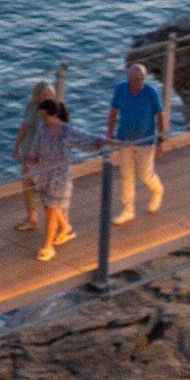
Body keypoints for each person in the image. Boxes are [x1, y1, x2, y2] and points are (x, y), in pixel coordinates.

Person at [27, 98, 92, 262]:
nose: (42, 120)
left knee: (51, 210)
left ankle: (48, 247)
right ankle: (66, 228)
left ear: (54, 115)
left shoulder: (66, 132)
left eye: (45, 117)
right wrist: (30, 166)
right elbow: (35, 146)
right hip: (45, 174)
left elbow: (86, 139)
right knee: (50, 208)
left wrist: (106, 142)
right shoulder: (43, 128)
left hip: (60, 178)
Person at [106, 62, 166, 222]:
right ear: (129, 79)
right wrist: (110, 135)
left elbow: (160, 116)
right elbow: (113, 113)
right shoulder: (120, 89)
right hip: (124, 140)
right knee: (126, 175)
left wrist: (161, 141)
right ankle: (128, 210)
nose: (139, 83)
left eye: (142, 79)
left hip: (145, 141)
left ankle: (157, 190)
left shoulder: (151, 93)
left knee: (145, 175)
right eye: (136, 80)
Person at [12, 79, 57, 230]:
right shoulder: (31, 107)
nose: (46, 98)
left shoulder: (53, 112)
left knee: (44, 188)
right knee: (27, 184)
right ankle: (32, 217)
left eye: (49, 95)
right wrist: (17, 145)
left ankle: (57, 220)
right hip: (28, 151)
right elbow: (24, 126)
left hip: (42, 156)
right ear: (37, 95)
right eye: (44, 95)